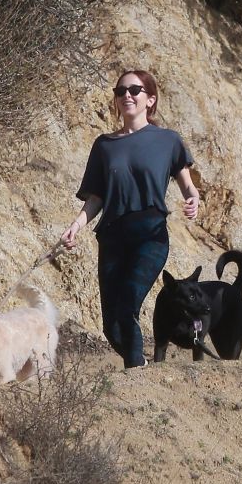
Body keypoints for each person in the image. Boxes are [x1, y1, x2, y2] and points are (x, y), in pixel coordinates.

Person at [61, 69, 200, 368]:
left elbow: (186, 182)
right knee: (111, 326)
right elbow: (96, 196)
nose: (127, 96)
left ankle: (135, 370)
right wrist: (76, 225)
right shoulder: (104, 145)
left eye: (134, 90)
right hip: (112, 236)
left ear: (150, 99)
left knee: (128, 304)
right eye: (120, 91)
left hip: (150, 234)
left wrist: (193, 198)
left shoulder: (167, 140)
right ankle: (141, 366)